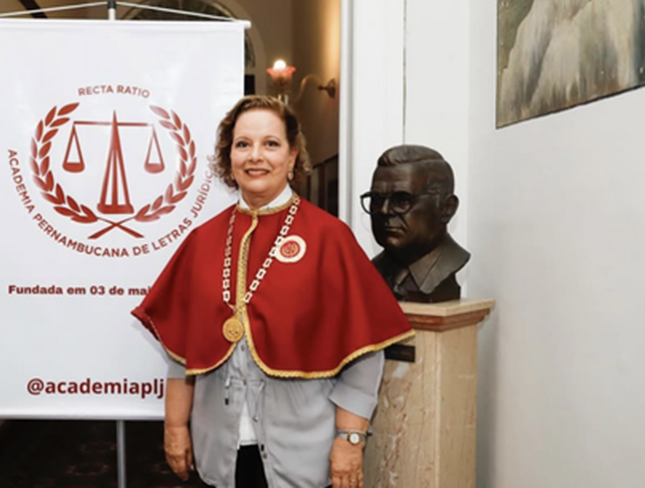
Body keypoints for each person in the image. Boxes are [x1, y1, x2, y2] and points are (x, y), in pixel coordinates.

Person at [132, 95, 413, 488]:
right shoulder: (202, 241)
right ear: (228, 156)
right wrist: (175, 425)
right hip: (220, 452)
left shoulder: (329, 238)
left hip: (303, 455)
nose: (255, 156)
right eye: (242, 144)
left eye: (270, 143)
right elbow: (181, 351)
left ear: (292, 154)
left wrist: (350, 438)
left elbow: (364, 354)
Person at [360, 144, 470, 303]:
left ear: (446, 208)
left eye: (402, 200)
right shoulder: (371, 273)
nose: (384, 210)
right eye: (377, 199)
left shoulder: (449, 265)